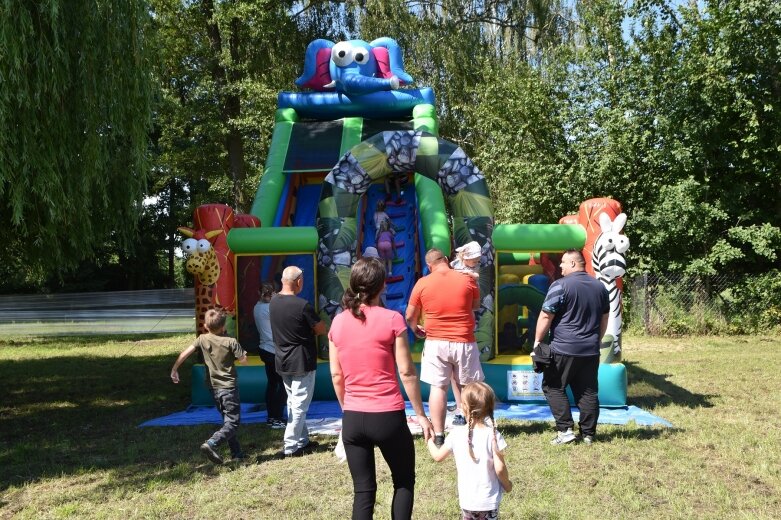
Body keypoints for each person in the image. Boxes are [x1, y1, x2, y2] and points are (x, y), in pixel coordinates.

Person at [329, 257, 433, 520]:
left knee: (363, 492)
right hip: (387, 416)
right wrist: (421, 414)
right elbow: (407, 372)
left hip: (353, 417)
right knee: (403, 482)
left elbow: (336, 374)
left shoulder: (338, 323)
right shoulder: (392, 319)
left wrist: (347, 408)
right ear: (382, 285)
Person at [406, 248, 484, 447]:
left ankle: (439, 435)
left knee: (438, 388)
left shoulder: (422, 283)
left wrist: (416, 330)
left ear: (429, 266)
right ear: (447, 260)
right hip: (464, 341)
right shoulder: (466, 279)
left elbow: (409, 316)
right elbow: (476, 305)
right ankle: (473, 431)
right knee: (469, 388)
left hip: (435, 342)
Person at [534, 249, 609, 445]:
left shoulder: (560, 286)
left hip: (563, 348)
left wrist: (537, 342)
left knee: (553, 386)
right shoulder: (600, 287)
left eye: (564, 263)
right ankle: (588, 434)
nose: (560, 266)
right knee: (588, 391)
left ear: (574, 264)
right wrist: (596, 340)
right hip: (591, 350)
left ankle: (565, 430)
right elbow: (605, 318)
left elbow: (545, 315)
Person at [170, 308, 248, 464]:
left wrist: (174, 369)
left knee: (227, 420)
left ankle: (236, 453)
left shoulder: (202, 339)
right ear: (224, 326)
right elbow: (243, 360)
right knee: (233, 422)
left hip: (214, 388)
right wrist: (242, 354)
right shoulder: (230, 341)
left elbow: (185, 353)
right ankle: (212, 443)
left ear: (206, 326)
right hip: (229, 388)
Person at [427, 382, 512, 519]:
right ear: (490, 407)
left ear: (463, 407)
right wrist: (507, 485)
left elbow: (437, 456)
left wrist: (430, 441)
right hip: (489, 501)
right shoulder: (493, 435)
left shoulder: (456, 434)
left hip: (467, 501)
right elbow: (500, 468)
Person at [269, 266, 327, 457]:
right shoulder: (303, 306)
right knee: (300, 405)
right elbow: (320, 329)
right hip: (302, 360)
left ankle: (302, 441)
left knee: (293, 402)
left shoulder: (273, 302)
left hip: (282, 359)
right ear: (299, 282)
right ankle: (291, 446)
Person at [448, 240, 484, 424]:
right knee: (462, 374)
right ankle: (463, 407)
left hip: (461, 328)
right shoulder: (455, 269)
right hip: (459, 332)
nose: (476, 263)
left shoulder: (465, 271)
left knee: (462, 374)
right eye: (474, 259)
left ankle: (465, 407)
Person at [253, 282, 286, 429]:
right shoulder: (270, 307)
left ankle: (271, 416)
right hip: (273, 350)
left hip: (265, 349)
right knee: (281, 385)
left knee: (272, 384)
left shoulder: (257, 306)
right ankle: (277, 417)